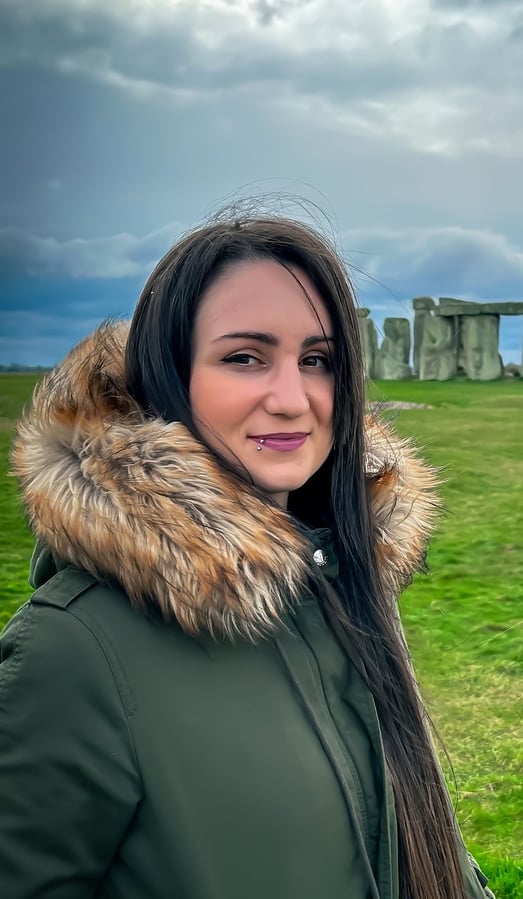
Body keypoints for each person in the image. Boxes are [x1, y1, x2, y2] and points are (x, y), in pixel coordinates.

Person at [0, 213, 493, 899]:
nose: (292, 399)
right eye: (244, 357)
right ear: (171, 376)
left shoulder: (343, 583)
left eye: (317, 360)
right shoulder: (71, 651)